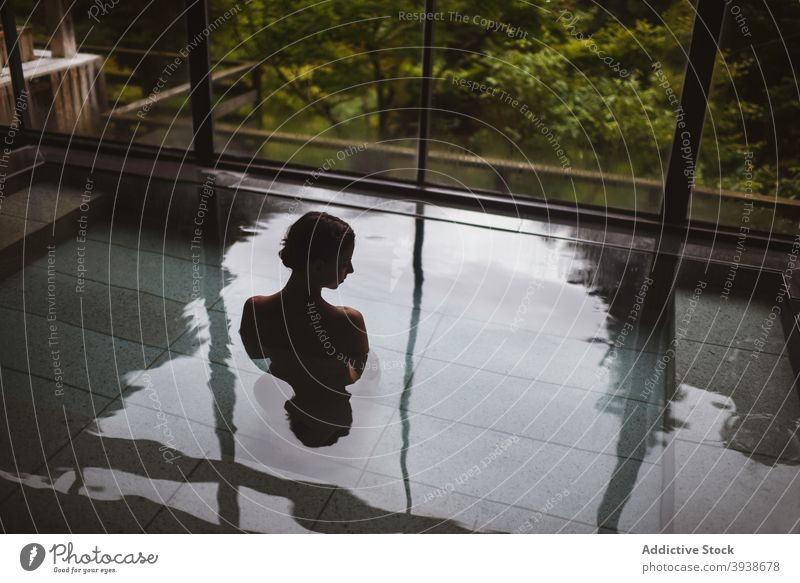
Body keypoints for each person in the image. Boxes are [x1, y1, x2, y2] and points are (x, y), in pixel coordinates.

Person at [239, 211, 369, 445]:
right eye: (344, 262)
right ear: (318, 266)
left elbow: (256, 354)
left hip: (279, 383)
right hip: (328, 397)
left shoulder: (255, 309)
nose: (350, 270)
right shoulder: (349, 322)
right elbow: (354, 377)